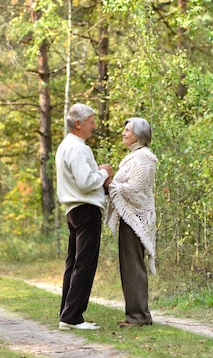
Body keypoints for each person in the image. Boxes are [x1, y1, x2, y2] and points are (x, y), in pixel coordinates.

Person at [55, 103, 113, 331]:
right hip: (86, 210)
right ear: (78, 123)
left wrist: (95, 173)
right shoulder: (78, 148)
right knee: (84, 264)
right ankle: (72, 317)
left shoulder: (65, 146)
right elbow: (86, 182)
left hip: (73, 210)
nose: (93, 126)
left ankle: (66, 312)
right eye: (90, 121)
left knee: (74, 264)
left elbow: (82, 178)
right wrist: (104, 172)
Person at [106, 117, 157, 327]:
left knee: (133, 267)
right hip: (129, 217)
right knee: (128, 267)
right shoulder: (134, 156)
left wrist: (110, 184)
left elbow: (134, 188)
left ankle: (139, 317)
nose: (123, 133)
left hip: (136, 219)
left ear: (138, 134)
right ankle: (136, 314)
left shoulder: (145, 158)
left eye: (128, 130)